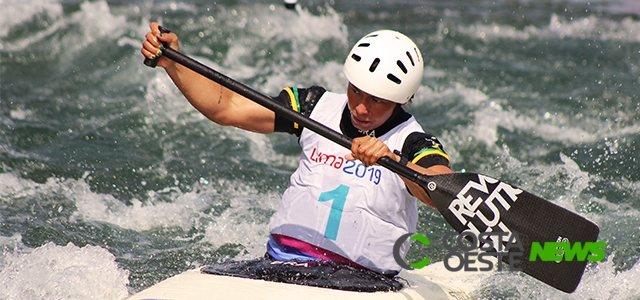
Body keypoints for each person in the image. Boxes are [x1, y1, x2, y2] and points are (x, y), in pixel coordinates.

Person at [141, 22, 453, 276]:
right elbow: (227, 107)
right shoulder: (313, 106)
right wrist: (173, 64)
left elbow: (442, 191)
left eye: (377, 100)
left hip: (359, 280)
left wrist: (392, 160)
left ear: (401, 99)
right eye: (355, 91)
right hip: (280, 264)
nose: (360, 107)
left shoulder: (414, 142)